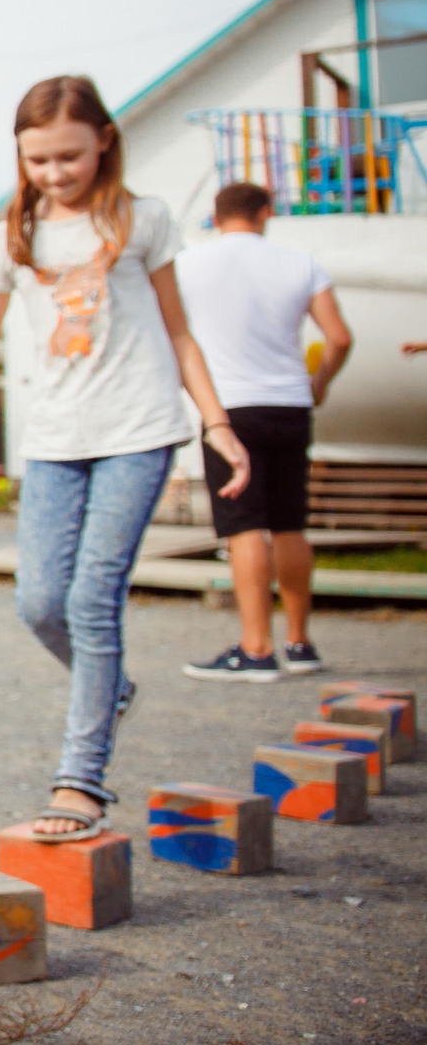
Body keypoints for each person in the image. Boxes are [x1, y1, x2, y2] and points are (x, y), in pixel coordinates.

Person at [0, 75, 250, 840]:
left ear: (104, 142)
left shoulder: (142, 220)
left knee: (92, 599)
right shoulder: (10, 238)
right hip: (53, 439)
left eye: (69, 156)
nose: (55, 173)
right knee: (39, 603)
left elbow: (180, 331)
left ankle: (80, 782)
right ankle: (109, 686)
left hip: (140, 428)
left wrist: (216, 423)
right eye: (39, 160)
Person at [173, 181, 353, 679]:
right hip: (291, 404)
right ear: (265, 212)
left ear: (216, 215)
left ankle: (255, 650)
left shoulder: (189, 265)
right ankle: (299, 644)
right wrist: (318, 383)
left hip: (228, 410)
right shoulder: (301, 262)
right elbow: (338, 337)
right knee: (289, 523)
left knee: (244, 525)